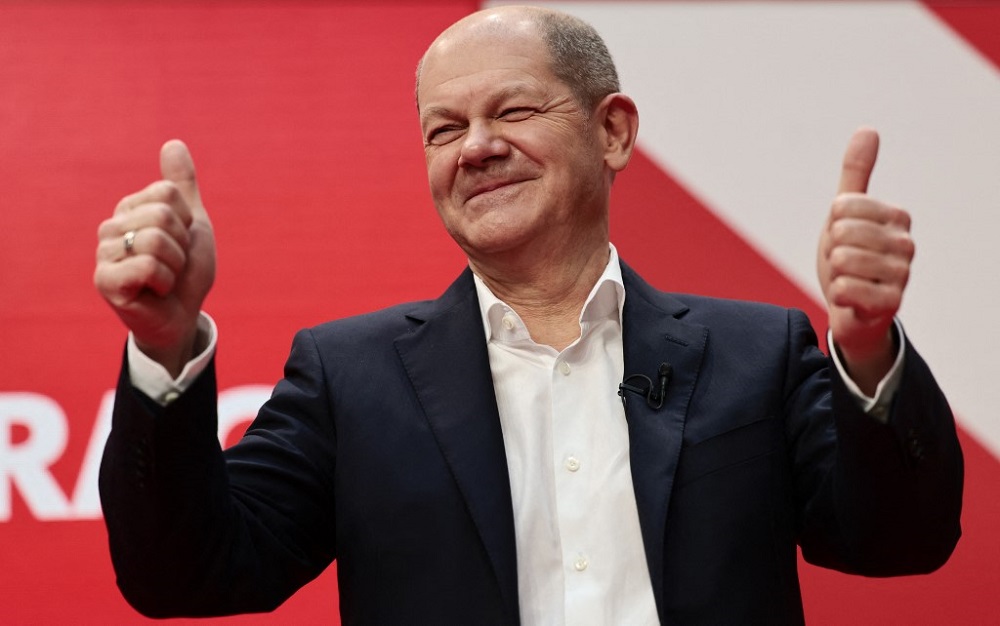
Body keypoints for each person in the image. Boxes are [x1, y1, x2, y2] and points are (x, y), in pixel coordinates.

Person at [94, 6, 962, 625]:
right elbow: (187, 575)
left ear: (613, 132)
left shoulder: (757, 352)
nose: (476, 147)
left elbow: (903, 540)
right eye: (444, 129)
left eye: (512, 110)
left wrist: (865, 350)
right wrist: (165, 348)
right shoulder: (350, 377)